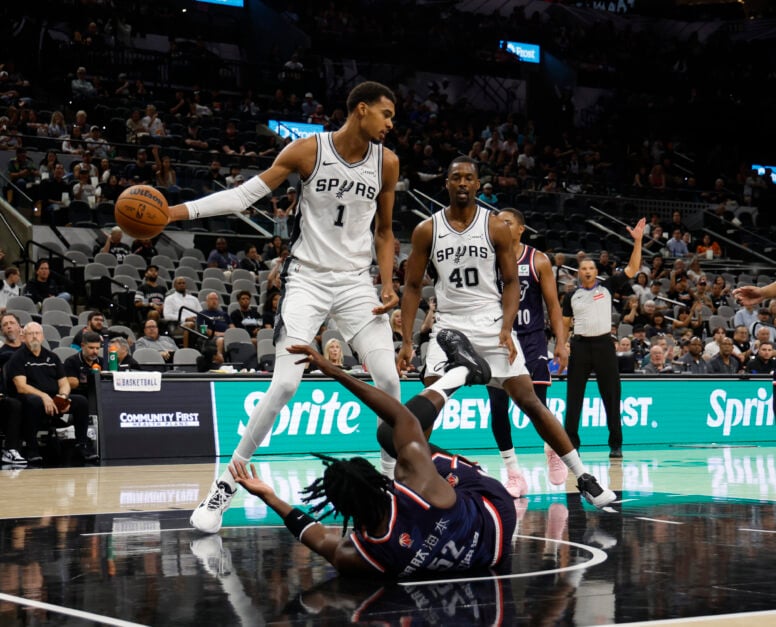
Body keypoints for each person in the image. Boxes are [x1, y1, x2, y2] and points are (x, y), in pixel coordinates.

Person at [174, 81, 403, 534]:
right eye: (387, 114)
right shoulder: (307, 151)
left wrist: (388, 280)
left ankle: (390, 490)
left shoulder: (388, 163)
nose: (391, 124)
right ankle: (226, 485)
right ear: (361, 111)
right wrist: (174, 212)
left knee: (390, 382)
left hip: (357, 283)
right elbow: (243, 196)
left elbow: (384, 232)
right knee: (282, 387)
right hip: (308, 279)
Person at [397, 157, 615, 508]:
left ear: (478, 183)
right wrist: (407, 340)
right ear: (447, 184)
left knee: (530, 401)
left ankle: (583, 476)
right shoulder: (427, 229)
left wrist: (505, 326)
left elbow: (512, 282)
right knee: (428, 406)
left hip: (489, 323)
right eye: (456, 178)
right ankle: (411, 483)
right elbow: (410, 287)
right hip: (448, 327)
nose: (463, 183)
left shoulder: (495, 226)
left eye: (469, 178)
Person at [229, 333, 518, 578]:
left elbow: (316, 537)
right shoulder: (416, 483)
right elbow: (403, 417)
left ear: (341, 509)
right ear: (377, 480)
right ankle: (463, 372)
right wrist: (337, 373)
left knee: (403, 443)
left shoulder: (361, 555)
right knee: (390, 436)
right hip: (494, 509)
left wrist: (270, 497)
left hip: (491, 553)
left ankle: (464, 372)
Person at [486, 208, 569, 498]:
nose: (501, 226)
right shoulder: (488, 258)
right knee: (497, 407)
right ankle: (513, 473)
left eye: (507, 222)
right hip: (498, 341)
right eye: (497, 222)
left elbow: (554, 306)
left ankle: (552, 449)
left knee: (537, 406)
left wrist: (561, 342)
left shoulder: (538, 260)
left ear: (521, 229)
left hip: (532, 340)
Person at [561, 217, 646, 459]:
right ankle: (571, 445)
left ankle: (615, 444)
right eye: (583, 268)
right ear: (578, 273)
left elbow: (632, 269)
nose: (587, 271)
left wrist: (637, 241)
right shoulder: (571, 296)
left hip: (603, 345)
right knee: (574, 397)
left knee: (611, 395)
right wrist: (563, 346)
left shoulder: (607, 287)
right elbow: (565, 325)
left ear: (596, 272)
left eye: (591, 268)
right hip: (579, 346)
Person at [6, 322, 98, 463]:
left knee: (81, 401)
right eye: (30, 334)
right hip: (31, 397)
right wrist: (44, 396)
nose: (34, 337)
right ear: (23, 337)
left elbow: (64, 383)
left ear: (43, 336)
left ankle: (82, 444)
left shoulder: (52, 357)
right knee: (33, 402)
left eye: (37, 333)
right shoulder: (18, 357)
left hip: (54, 398)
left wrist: (63, 397)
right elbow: (21, 387)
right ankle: (32, 449)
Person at [63, 331, 104, 396]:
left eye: (97, 348)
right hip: (79, 396)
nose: (95, 351)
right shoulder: (71, 362)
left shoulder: (102, 361)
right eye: (91, 348)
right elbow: (71, 385)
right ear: (82, 346)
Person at [197, 292, 233, 356]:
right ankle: (219, 360)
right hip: (210, 338)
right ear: (207, 302)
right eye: (211, 299)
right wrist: (221, 334)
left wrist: (232, 333)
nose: (214, 301)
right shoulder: (201, 314)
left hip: (227, 335)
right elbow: (204, 330)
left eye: (216, 299)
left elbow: (232, 326)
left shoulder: (224, 314)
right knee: (221, 340)